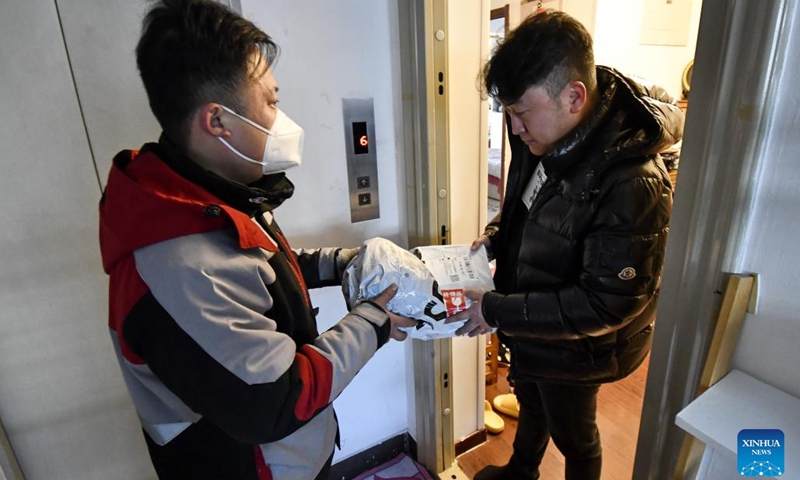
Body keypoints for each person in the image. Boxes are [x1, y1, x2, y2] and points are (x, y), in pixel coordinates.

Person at [98, 1, 415, 479]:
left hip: (294, 452)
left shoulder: (205, 198)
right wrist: (374, 321)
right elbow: (277, 398)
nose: (280, 118)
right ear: (217, 121)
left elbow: (263, 268)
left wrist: (343, 262)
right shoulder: (178, 263)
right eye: (270, 101)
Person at [446, 10, 684, 480]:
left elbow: (606, 305)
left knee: (576, 435)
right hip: (535, 323)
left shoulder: (632, 180)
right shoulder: (545, 139)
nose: (514, 128)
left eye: (520, 112)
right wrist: (497, 237)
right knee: (531, 400)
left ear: (574, 96)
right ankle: (522, 470)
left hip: (581, 347)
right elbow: (532, 209)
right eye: (508, 113)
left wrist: (496, 311)